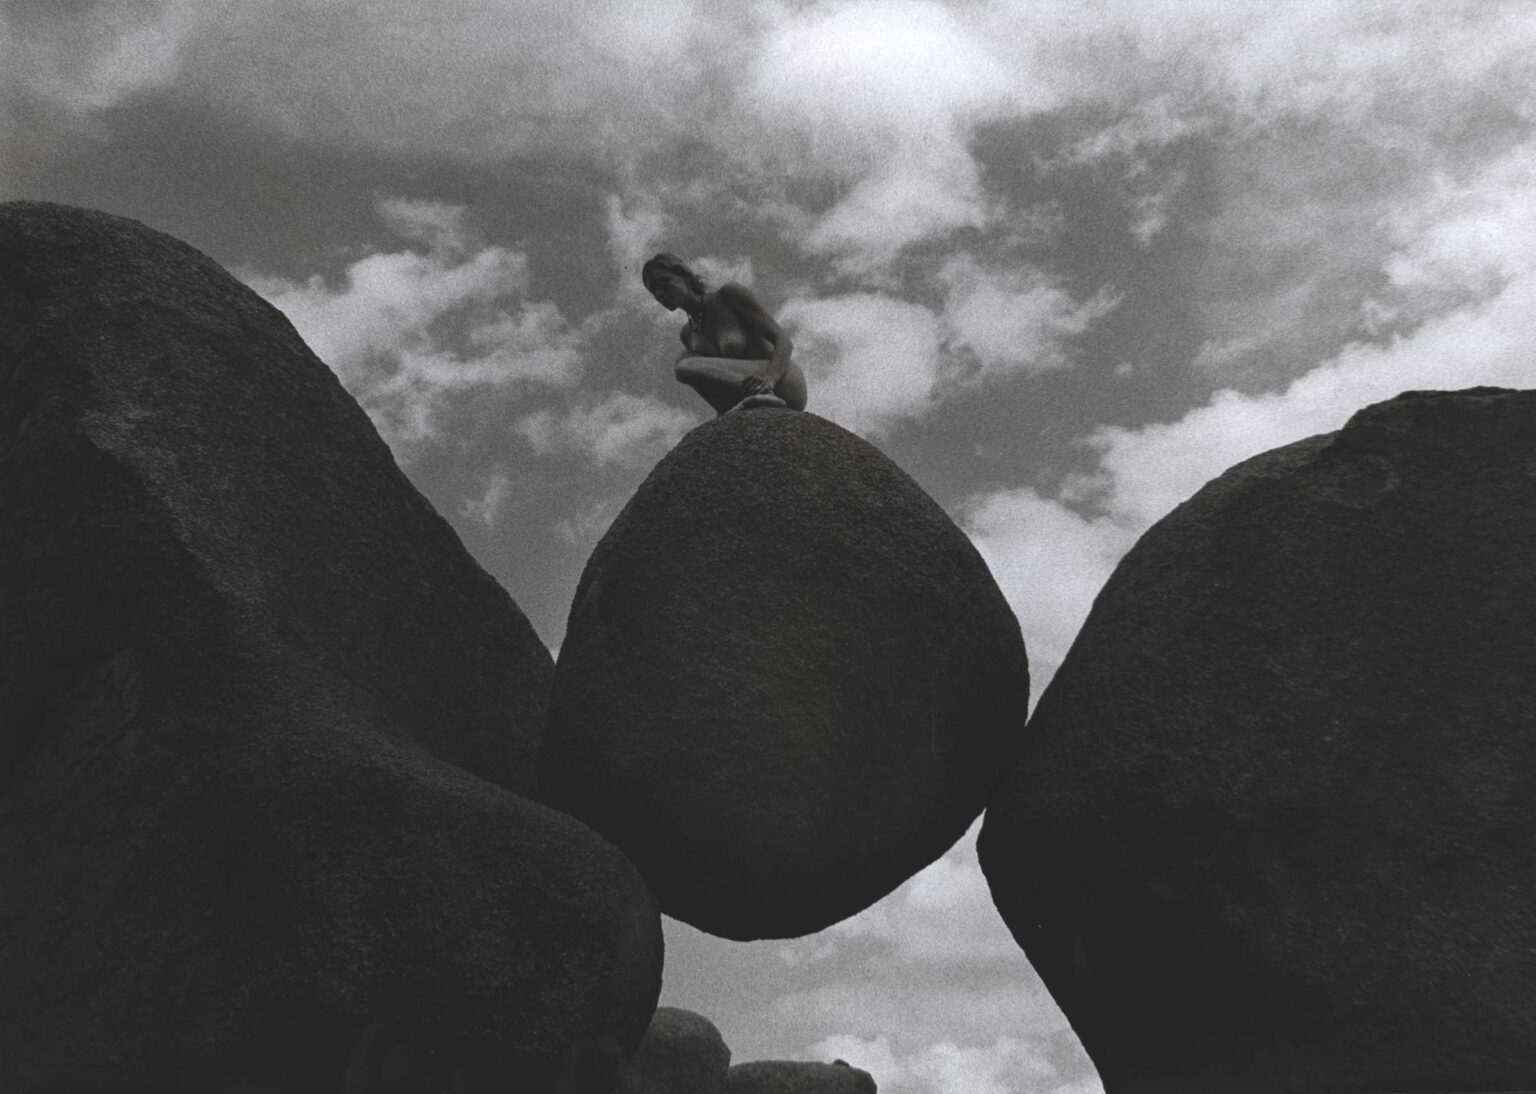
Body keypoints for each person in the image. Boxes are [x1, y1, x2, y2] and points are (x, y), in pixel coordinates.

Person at [642, 253, 808, 415]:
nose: (660, 294)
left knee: (685, 365)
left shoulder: (728, 296)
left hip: (783, 382)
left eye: (664, 283)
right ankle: (728, 414)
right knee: (684, 360)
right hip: (749, 396)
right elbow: (711, 382)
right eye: (654, 291)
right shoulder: (688, 334)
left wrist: (769, 380)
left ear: (684, 276)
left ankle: (761, 395)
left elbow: (783, 340)